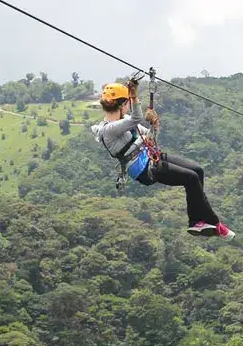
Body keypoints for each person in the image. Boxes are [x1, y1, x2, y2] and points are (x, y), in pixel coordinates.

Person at [91, 78, 234, 239]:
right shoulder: (108, 130)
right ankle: (215, 224)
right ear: (123, 104)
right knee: (191, 178)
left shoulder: (124, 122)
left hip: (152, 158)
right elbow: (136, 118)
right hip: (144, 169)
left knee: (197, 171)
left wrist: (154, 123)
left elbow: (149, 137)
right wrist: (135, 96)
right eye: (127, 103)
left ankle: (197, 221)